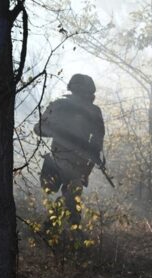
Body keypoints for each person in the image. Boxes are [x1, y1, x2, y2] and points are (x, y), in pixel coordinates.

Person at [35, 73, 105, 229]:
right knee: (70, 199)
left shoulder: (58, 105)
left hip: (62, 158)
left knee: (69, 199)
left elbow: (39, 129)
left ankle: (55, 230)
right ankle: (64, 233)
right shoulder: (93, 111)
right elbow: (97, 142)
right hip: (72, 161)